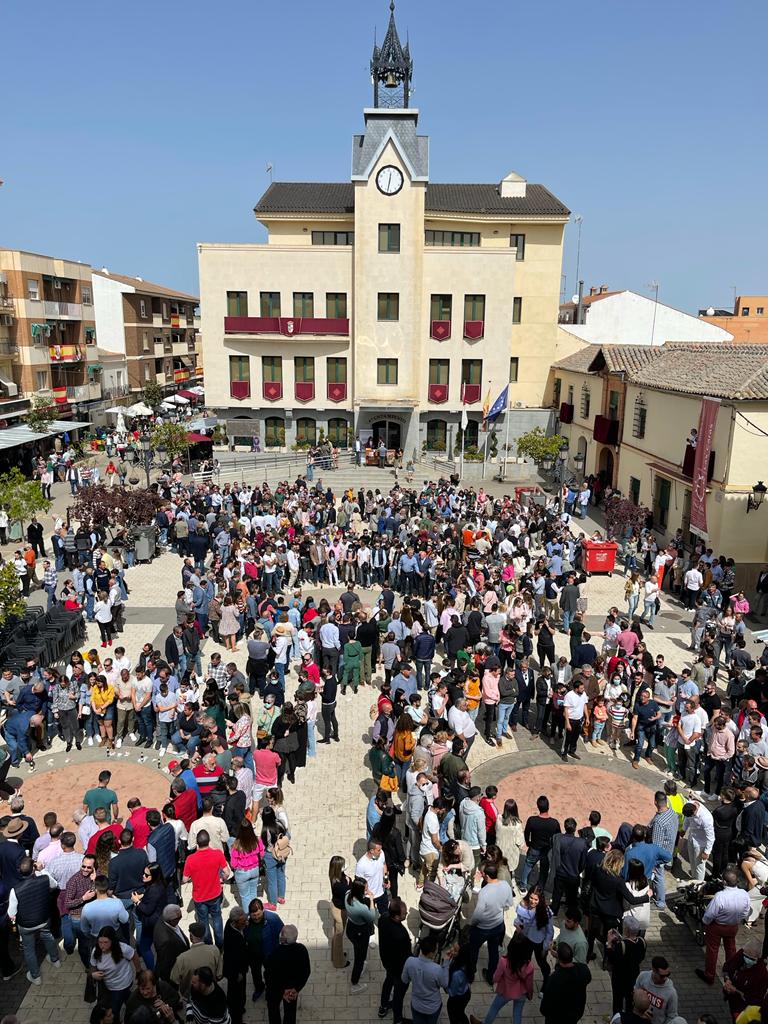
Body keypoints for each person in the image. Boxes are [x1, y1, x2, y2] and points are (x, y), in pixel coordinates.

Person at [7, 855, 61, 985]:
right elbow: (55, 885)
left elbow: (11, 913)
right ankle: (55, 960)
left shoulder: (15, 890)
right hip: (43, 918)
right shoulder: (44, 879)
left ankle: (35, 976)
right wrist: (42, 870)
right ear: (33, 869)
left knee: (29, 949)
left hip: (26, 925)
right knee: (48, 936)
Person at [695, 866, 750, 985]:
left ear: (724, 882)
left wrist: (704, 922)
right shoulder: (744, 894)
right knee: (731, 949)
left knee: (712, 950)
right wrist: (735, 919)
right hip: (733, 926)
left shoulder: (720, 896)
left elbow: (710, 914)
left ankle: (709, 975)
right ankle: (730, 973)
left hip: (717, 926)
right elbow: (746, 912)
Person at [470, 932, 534, 1024]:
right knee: (517, 1015)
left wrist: (493, 980)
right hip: (521, 993)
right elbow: (529, 984)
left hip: (505, 991)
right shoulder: (529, 966)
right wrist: (530, 995)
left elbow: (496, 978)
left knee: (494, 1008)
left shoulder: (504, 962)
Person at [183, 830, 232, 947]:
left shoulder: (190, 859)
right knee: (217, 917)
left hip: (199, 897)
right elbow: (227, 872)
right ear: (209, 841)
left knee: (203, 921)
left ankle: (209, 945)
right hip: (215, 893)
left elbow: (184, 879)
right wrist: (221, 879)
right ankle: (220, 944)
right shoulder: (218, 854)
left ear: (197, 843)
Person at [89, 925, 140, 1021]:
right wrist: (93, 974)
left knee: (113, 1011)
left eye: (105, 942)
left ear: (112, 941)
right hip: (108, 985)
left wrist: (138, 971)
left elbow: (134, 955)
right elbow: (92, 965)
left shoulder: (122, 948)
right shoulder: (96, 951)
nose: (102, 945)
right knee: (129, 999)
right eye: (100, 942)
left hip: (122, 983)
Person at [264, 924, 311, 1024]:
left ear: (283, 939)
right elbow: (306, 971)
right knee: (290, 1013)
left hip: (276, 989)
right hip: (292, 990)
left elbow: (269, 976)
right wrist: (296, 989)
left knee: (273, 1010)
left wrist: (282, 991)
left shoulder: (275, 954)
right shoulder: (302, 950)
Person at [401, 932, 451, 1024]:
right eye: (436, 949)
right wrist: (446, 963)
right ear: (432, 953)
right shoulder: (437, 969)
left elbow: (404, 980)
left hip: (416, 1005)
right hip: (433, 1007)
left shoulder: (410, 961)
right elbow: (445, 984)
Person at [539, 942, 592, 1024]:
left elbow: (545, 1007)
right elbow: (588, 978)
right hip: (575, 1014)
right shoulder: (583, 969)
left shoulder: (554, 979)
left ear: (559, 958)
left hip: (557, 1018)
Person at [377, 897, 411, 1024]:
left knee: (388, 982)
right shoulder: (401, 934)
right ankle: (398, 1020)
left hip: (387, 961)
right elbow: (407, 955)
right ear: (397, 917)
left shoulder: (384, 917)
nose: (406, 913)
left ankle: (383, 1006)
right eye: (404, 913)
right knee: (398, 995)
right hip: (399, 969)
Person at [170, 921, 223, 997]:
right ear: (204, 935)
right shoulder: (214, 950)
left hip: (191, 996)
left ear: (191, 937)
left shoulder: (182, 958)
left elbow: (174, 979)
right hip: (210, 991)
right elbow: (219, 975)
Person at [604, 921, 647, 1015]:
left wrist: (609, 943)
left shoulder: (622, 945)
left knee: (618, 1000)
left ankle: (617, 1018)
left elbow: (612, 959)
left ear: (626, 930)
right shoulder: (642, 942)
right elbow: (641, 957)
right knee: (630, 1000)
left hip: (619, 978)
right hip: (634, 976)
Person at [513, 886, 554, 982]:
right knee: (525, 960)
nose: (533, 901)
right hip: (526, 938)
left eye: (536, 899)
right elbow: (518, 919)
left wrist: (545, 947)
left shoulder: (546, 911)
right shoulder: (524, 905)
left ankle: (546, 980)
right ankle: (524, 981)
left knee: (541, 962)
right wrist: (517, 924)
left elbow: (550, 931)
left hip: (538, 942)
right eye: (531, 898)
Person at [345, 875, 377, 993]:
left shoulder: (347, 895)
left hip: (350, 928)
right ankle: (354, 982)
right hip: (360, 932)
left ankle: (360, 967)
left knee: (358, 952)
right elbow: (371, 917)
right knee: (359, 957)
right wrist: (372, 900)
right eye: (365, 889)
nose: (367, 891)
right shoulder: (361, 908)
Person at [222, 906, 249, 1024]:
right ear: (235, 922)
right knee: (236, 994)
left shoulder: (231, 924)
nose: (246, 923)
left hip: (237, 969)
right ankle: (236, 1016)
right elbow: (234, 959)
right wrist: (238, 973)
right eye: (243, 922)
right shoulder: (233, 937)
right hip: (236, 971)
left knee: (236, 992)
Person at [635, 957, 679, 1024]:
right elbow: (634, 994)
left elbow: (672, 1016)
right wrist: (640, 1012)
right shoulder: (643, 977)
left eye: (667, 975)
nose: (665, 978)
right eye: (662, 976)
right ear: (653, 970)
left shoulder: (671, 993)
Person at [328, 856, 351, 970]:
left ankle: (336, 955)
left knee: (336, 933)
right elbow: (349, 892)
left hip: (336, 906)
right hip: (339, 910)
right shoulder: (338, 885)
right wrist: (349, 882)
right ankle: (339, 962)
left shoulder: (334, 876)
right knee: (338, 937)